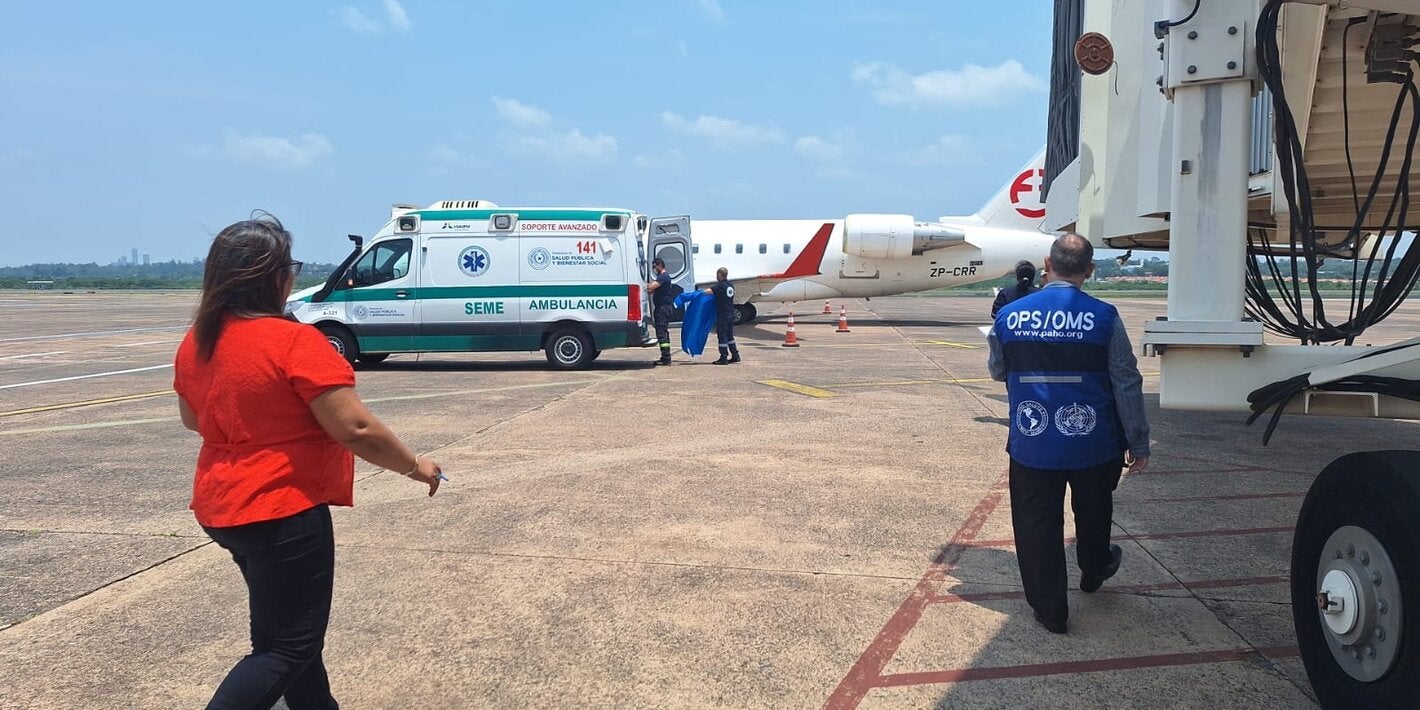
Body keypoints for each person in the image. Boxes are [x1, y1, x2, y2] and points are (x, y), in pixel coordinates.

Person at [174, 214, 443, 709]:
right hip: (282, 508)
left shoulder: (198, 341)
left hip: (222, 505)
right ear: (274, 277)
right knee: (285, 647)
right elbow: (356, 429)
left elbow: (193, 420)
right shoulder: (294, 341)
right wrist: (415, 465)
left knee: (294, 636)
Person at [986, 233, 1150, 635]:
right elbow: (1126, 381)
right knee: (1094, 512)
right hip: (1095, 442)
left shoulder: (1009, 316)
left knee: (1037, 523)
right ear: (1089, 270)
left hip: (1032, 441)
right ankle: (1094, 567)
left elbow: (999, 371)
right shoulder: (1105, 316)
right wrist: (1138, 440)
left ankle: (1051, 610)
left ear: (1048, 263)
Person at [704, 267, 741, 365]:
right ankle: (735, 355)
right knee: (729, 336)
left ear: (720, 275)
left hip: (723, 314)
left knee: (722, 336)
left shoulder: (720, 286)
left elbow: (707, 292)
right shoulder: (730, 285)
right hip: (730, 313)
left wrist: (697, 293)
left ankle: (723, 357)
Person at [647, 258, 675, 365]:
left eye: (655, 267)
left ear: (659, 265)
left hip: (663, 309)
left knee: (662, 332)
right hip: (661, 308)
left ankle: (666, 358)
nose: (654, 269)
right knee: (662, 332)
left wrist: (643, 285)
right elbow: (651, 290)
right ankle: (665, 356)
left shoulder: (663, 277)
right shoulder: (661, 277)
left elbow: (651, 287)